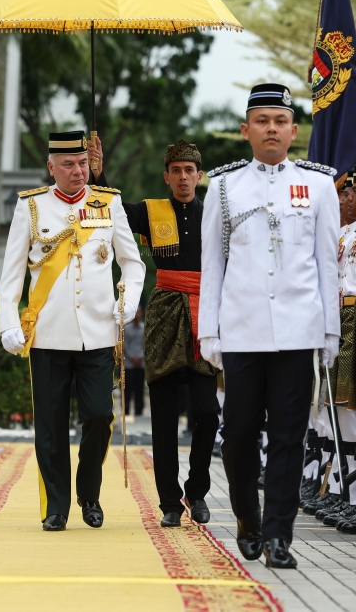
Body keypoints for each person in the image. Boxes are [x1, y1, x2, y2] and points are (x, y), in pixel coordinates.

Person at [199, 83, 340, 569]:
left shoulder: (320, 185)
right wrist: (209, 332)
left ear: (294, 130)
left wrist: (330, 332)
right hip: (241, 330)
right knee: (238, 433)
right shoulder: (222, 186)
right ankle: (247, 518)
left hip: (299, 330)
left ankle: (280, 534)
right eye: (262, 121)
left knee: (288, 436)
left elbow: (328, 263)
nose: (272, 129)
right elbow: (212, 264)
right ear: (246, 130)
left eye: (280, 121)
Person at [0, 130, 145, 532]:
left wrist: (129, 299)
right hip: (48, 333)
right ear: (51, 167)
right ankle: (56, 506)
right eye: (68, 164)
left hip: (97, 332)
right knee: (50, 422)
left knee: (98, 416)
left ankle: (89, 493)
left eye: (82, 163)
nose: (77, 170)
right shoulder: (31, 207)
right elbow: (11, 274)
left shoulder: (107, 203)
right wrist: (8, 320)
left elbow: (132, 263)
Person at [108, 139, 221, 529]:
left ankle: (198, 490)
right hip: (164, 310)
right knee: (165, 414)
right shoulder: (151, 211)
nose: (184, 177)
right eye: (176, 171)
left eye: (190, 171)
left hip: (203, 311)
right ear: (167, 176)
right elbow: (112, 210)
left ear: (199, 176)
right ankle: (170, 502)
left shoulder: (213, 216)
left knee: (208, 412)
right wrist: (96, 173)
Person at [122, 304, 144, 419]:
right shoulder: (126, 328)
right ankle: (126, 410)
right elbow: (125, 345)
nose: (136, 314)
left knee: (139, 387)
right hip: (129, 363)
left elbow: (145, 345)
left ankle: (139, 410)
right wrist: (132, 357)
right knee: (128, 387)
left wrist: (139, 357)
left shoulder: (144, 328)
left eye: (138, 312)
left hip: (141, 363)